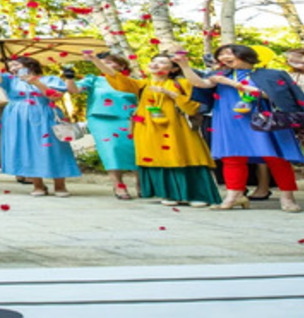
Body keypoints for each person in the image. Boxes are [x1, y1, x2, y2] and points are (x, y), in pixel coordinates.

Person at [83, 52, 220, 207]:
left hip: (177, 128)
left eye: (162, 62)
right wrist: (95, 60)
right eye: (153, 61)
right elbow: (116, 77)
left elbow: (193, 108)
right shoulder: (142, 84)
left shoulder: (182, 83)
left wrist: (172, 94)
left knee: (184, 156)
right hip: (149, 128)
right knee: (158, 159)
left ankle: (197, 195)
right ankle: (170, 194)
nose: (155, 65)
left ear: (173, 69)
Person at [186, 44, 304, 212]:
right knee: (232, 157)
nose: (223, 57)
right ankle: (234, 195)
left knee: (277, 158)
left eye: (229, 53)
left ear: (245, 55)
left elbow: (284, 98)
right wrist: (184, 64)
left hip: (265, 120)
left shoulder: (272, 74)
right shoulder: (218, 75)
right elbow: (199, 83)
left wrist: (254, 92)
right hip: (229, 120)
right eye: (221, 54)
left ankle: (287, 197)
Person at [0, 55, 80, 197]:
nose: (12, 68)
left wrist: (36, 83)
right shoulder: (10, 80)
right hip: (16, 118)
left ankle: (60, 185)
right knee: (26, 148)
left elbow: (55, 96)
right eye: (11, 66)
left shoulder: (50, 79)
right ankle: (38, 185)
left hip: (44, 115)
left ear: (30, 65)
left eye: (16, 65)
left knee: (53, 148)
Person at [69, 53, 139, 200]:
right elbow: (74, 90)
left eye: (110, 62)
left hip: (129, 118)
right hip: (101, 119)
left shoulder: (132, 81)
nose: (105, 65)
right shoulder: (94, 80)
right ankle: (118, 184)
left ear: (121, 65)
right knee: (110, 149)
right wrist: (69, 78)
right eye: (102, 62)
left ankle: (141, 183)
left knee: (135, 149)